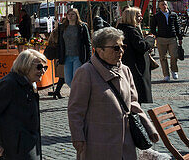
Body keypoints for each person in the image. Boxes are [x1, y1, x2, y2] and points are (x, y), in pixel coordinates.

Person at [68, 27, 159, 160]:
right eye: (116, 48)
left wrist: (149, 127)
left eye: (123, 46)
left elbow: (133, 103)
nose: (121, 51)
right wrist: (78, 137)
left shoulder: (125, 70)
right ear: (100, 50)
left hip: (126, 141)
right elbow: (76, 110)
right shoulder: (86, 72)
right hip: (98, 142)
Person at [0, 48, 46, 160]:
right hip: (12, 149)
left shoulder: (30, 84)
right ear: (26, 66)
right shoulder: (10, 84)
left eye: (45, 67)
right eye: (39, 67)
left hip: (25, 146)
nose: (43, 71)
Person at [115, 7, 152, 104]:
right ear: (132, 17)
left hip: (126, 65)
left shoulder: (120, 29)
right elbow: (141, 46)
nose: (141, 18)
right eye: (139, 16)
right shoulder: (132, 31)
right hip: (135, 66)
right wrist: (149, 40)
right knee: (135, 95)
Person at [59, 8, 92, 88]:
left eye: (72, 14)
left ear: (76, 16)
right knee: (68, 80)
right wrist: (59, 56)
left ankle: (77, 96)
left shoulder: (82, 27)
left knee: (76, 78)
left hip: (78, 56)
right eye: (69, 14)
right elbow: (60, 43)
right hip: (66, 56)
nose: (70, 16)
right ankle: (78, 93)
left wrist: (89, 57)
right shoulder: (63, 27)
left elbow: (88, 43)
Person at [149, 0, 181, 81]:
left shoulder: (173, 15)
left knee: (174, 55)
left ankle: (174, 70)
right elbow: (152, 27)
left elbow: (177, 26)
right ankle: (166, 75)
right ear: (159, 6)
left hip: (172, 38)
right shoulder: (156, 16)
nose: (164, 6)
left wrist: (180, 37)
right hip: (161, 38)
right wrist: (157, 35)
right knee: (163, 57)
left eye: (165, 4)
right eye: (162, 4)